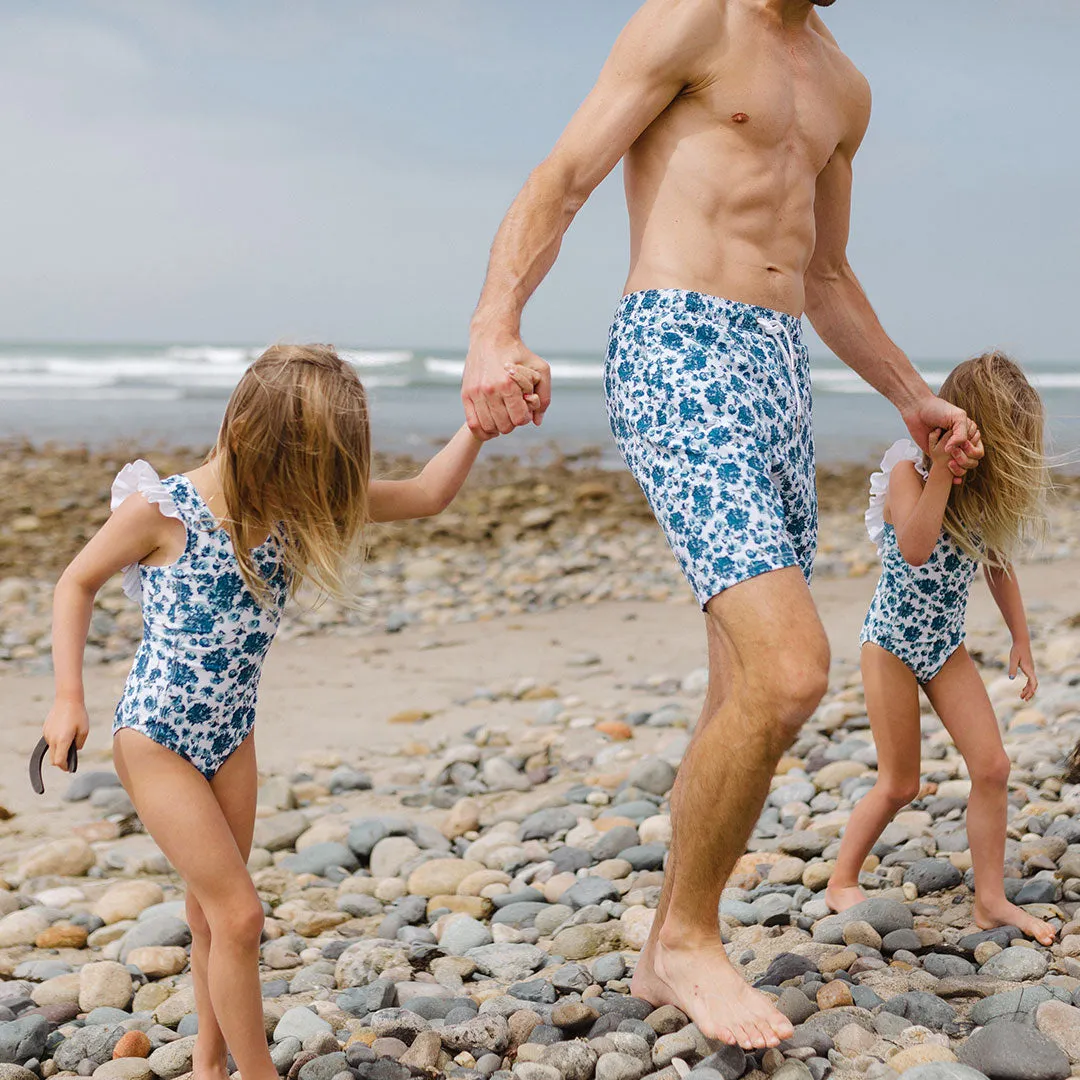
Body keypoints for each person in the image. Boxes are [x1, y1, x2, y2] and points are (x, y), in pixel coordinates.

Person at [460, 0, 982, 1051]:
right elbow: (562, 180)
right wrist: (492, 328)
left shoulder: (846, 87)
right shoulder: (691, 21)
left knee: (744, 680)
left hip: (779, 365)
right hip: (679, 343)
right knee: (792, 670)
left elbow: (824, 275)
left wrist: (908, 394)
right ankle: (695, 938)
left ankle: (664, 948)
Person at [41, 345, 536, 1080]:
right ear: (254, 438)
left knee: (213, 915)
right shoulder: (162, 510)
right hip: (156, 738)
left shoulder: (299, 506)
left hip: (230, 737)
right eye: (310, 468)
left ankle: (212, 1067)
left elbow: (429, 495)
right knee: (240, 916)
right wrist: (68, 698)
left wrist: (478, 429)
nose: (321, 489)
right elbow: (75, 582)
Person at [825, 352, 1054, 947]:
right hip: (892, 644)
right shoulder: (908, 472)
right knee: (900, 783)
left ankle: (990, 899)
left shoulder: (985, 494)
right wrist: (942, 472)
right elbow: (918, 545)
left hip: (943, 646)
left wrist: (1020, 639)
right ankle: (841, 878)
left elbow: (997, 564)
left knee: (994, 766)